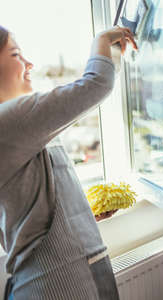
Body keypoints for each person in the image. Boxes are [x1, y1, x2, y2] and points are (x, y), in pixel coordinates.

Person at [0, 25, 137, 299]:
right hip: (55, 283)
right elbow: (96, 85)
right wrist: (101, 39)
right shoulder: (7, 120)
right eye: (16, 54)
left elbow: (28, 205)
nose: (29, 63)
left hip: (67, 275)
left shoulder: (17, 128)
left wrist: (82, 215)